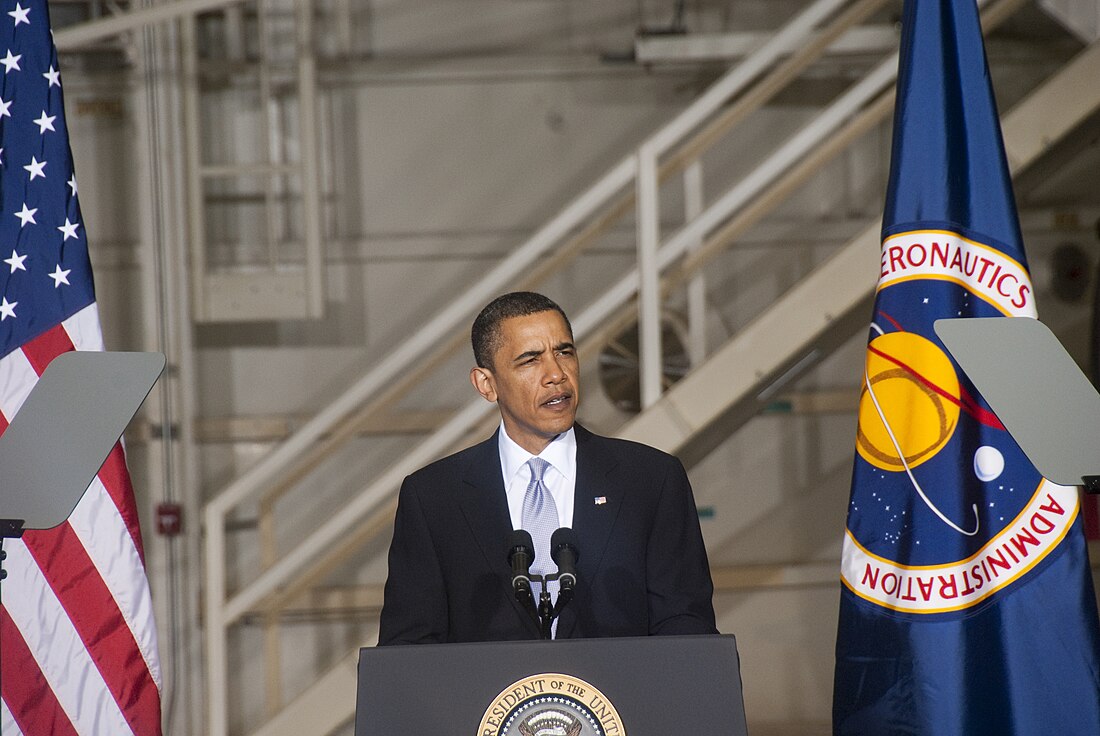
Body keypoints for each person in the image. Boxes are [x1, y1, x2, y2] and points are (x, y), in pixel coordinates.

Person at [377, 291, 717, 644]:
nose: (556, 374)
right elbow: (408, 651)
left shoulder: (651, 480)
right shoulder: (434, 497)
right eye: (530, 360)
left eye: (565, 352)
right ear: (486, 384)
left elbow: (687, 630)